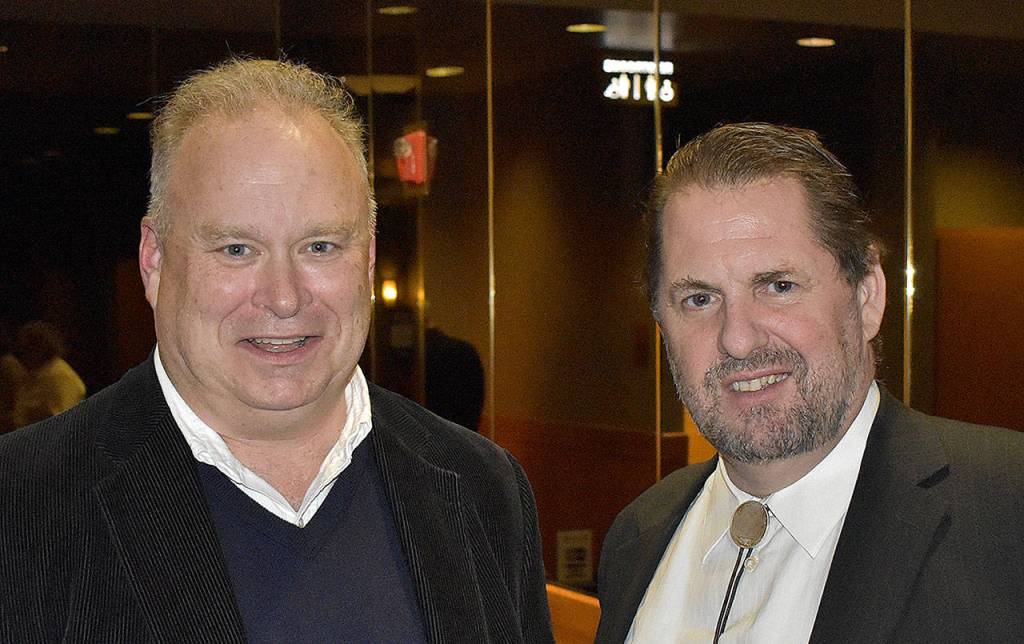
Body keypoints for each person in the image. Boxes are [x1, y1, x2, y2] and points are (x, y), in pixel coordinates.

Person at [0, 58, 552, 643]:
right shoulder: (23, 506)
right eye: (237, 249)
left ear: (366, 258)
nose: (284, 298)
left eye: (320, 245)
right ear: (154, 260)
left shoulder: (483, 489)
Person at [596, 122, 1024, 643]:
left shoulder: (1006, 514)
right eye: (699, 299)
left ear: (867, 296)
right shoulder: (637, 538)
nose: (738, 340)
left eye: (779, 286)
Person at [11, 320, 86, 427]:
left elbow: (61, 421)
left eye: (28, 348)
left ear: (42, 347)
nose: (22, 354)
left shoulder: (59, 376)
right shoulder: (36, 375)